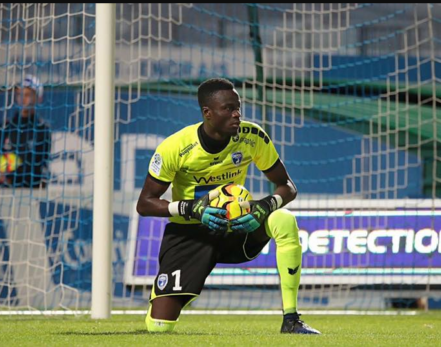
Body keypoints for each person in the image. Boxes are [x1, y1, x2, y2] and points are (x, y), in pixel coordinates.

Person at [136, 78, 320, 334]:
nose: (237, 114)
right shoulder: (175, 147)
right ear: (207, 113)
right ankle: (163, 299)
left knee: (284, 218)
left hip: (238, 225)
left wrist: (264, 207)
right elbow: (144, 204)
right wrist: (192, 209)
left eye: (238, 107)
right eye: (228, 108)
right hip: (191, 232)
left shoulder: (252, 136)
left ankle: (291, 320)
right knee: (159, 328)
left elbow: (287, 186)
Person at [0, 74, 52, 188]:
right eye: (20, 94)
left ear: (38, 98)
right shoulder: (6, 126)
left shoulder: (42, 130)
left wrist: (10, 176)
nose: (23, 98)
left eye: (27, 94)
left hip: (29, 193)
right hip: (2, 193)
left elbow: (37, 167)